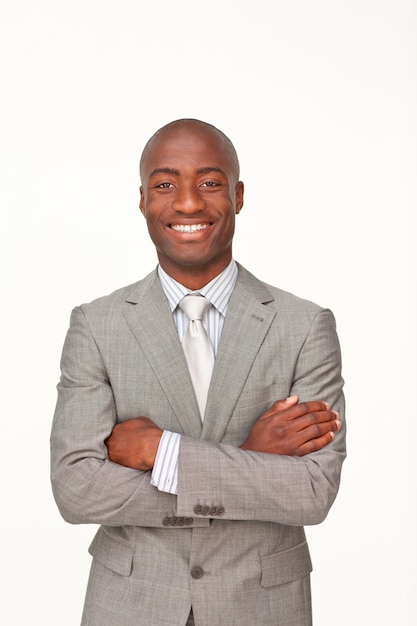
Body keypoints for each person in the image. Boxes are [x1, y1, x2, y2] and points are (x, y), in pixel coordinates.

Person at [50, 118, 346, 626]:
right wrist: (248, 458)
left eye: (210, 183)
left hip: (262, 605)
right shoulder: (97, 325)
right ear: (142, 200)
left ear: (239, 195)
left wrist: (161, 453)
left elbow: (312, 492)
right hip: (130, 604)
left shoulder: (304, 326)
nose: (188, 203)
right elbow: (77, 489)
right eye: (165, 185)